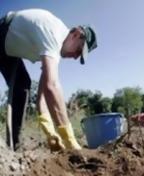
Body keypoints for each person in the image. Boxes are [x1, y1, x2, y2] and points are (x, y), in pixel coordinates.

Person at [0, 9, 97, 151]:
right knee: (22, 85)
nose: (76, 57)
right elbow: (52, 86)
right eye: (79, 50)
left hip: (10, 48)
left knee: (22, 85)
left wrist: (50, 133)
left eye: (79, 55)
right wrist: (69, 138)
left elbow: (42, 98)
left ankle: (14, 147)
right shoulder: (54, 34)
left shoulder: (53, 53)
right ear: (76, 34)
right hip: (4, 32)